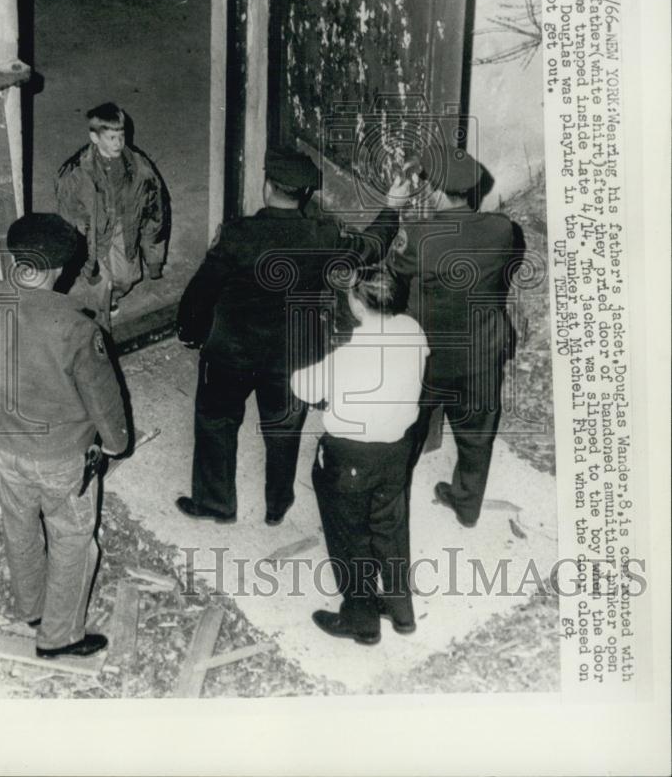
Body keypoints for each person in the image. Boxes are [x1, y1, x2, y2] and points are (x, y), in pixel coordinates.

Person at [175, 145, 410, 526]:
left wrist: (192, 333)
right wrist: (392, 206)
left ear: (268, 187)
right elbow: (370, 247)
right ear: (304, 196)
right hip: (291, 355)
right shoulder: (324, 236)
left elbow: (201, 291)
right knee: (283, 429)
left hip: (229, 352)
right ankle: (276, 505)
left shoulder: (237, 234)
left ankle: (216, 503)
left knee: (215, 420)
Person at [0, 213, 129, 658]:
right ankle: (60, 636)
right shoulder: (79, 329)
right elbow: (103, 399)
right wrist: (117, 443)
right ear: (60, 269)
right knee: (74, 540)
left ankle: (31, 606)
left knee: (20, 527)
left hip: (3, 444)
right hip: (61, 457)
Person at [387, 142, 525, 528]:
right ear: (471, 191)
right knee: (477, 435)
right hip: (483, 353)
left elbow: (394, 273)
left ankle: (392, 499)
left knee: (407, 430)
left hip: (431, 358)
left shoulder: (418, 236)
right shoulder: (503, 230)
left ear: (433, 189)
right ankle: (466, 506)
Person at [292, 265, 429, 645]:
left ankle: (361, 621)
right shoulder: (412, 331)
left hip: (350, 457)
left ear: (357, 303)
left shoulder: (350, 356)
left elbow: (303, 386)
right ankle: (402, 613)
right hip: (398, 451)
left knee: (350, 537)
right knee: (390, 530)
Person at [56, 102, 169, 329]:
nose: (119, 143)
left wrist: (154, 258)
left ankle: (114, 295)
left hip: (122, 227)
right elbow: (68, 217)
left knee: (126, 279)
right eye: (111, 138)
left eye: (121, 136)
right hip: (92, 234)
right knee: (99, 281)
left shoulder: (140, 168)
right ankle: (101, 321)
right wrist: (79, 260)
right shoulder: (76, 172)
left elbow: (154, 214)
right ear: (95, 138)